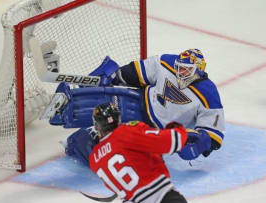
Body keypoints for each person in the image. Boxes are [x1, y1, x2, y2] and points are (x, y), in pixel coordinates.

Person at [43, 49, 224, 165]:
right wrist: (116, 76)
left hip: (159, 133)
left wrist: (201, 143)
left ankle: (79, 141)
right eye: (180, 67)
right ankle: (67, 105)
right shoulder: (166, 63)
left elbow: (213, 135)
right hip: (139, 104)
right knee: (107, 102)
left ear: (199, 69)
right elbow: (137, 72)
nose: (180, 73)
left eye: (186, 70)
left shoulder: (209, 93)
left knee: (108, 151)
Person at [89, 103, 188, 203]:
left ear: (97, 125)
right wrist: (177, 129)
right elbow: (172, 140)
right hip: (161, 196)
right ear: (117, 119)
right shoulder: (125, 132)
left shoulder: (94, 158)